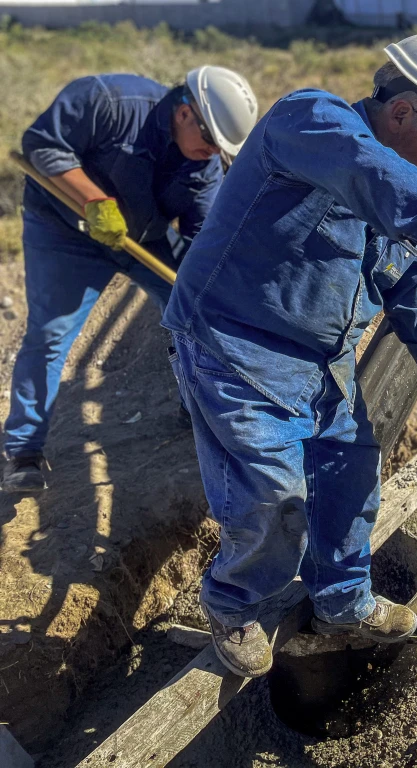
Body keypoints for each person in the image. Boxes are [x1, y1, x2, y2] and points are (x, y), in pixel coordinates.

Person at [162, 33, 417, 679]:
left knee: (350, 478)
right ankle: (231, 602)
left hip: (320, 363)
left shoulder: (401, 195)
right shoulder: (311, 120)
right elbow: (369, 173)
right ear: (402, 113)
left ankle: (343, 601)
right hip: (233, 342)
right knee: (275, 494)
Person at [2, 67, 258, 493]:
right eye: (211, 139)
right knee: (50, 334)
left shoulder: (204, 166)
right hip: (67, 233)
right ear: (184, 113)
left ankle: (197, 409)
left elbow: (201, 240)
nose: (213, 152)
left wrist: (209, 287)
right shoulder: (108, 101)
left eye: (221, 147)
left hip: (145, 238)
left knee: (193, 308)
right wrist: (94, 201)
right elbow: (41, 145)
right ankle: (25, 451)